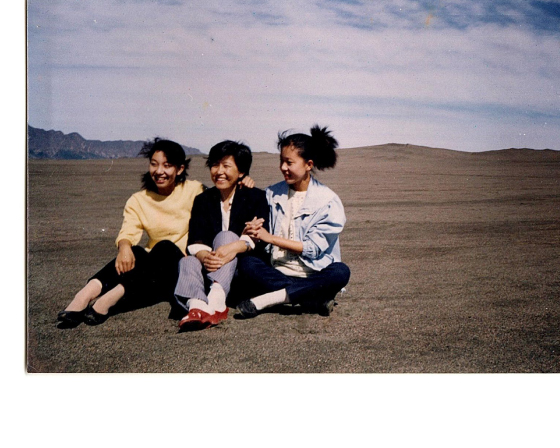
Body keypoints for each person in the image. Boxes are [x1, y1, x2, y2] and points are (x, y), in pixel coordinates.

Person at [56, 138, 206, 327]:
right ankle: (84, 295)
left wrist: (241, 182)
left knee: (165, 247)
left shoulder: (194, 190)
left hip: (181, 267)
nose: (159, 171)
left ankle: (111, 297)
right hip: (152, 268)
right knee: (135, 251)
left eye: (167, 165)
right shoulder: (139, 200)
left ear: (180, 169)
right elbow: (129, 230)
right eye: (154, 164)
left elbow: (222, 195)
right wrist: (124, 247)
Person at [237, 125, 350, 318]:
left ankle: (270, 299)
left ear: (308, 164)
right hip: (277, 272)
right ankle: (311, 298)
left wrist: (270, 238)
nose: (283, 167)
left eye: (289, 162)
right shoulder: (272, 193)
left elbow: (312, 249)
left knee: (340, 271)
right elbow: (254, 217)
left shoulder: (328, 201)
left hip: (314, 273)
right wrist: (247, 189)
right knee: (247, 264)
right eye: (281, 161)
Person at [174, 140, 269, 330]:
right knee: (187, 261)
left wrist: (233, 247)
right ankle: (197, 307)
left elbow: (258, 235)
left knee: (226, 236)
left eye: (226, 166)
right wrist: (205, 257)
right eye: (215, 165)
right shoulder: (203, 200)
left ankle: (216, 300)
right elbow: (196, 238)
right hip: (211, 266)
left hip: (240, 271)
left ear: (241, 172)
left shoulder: (254, 197)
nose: (219, 171)